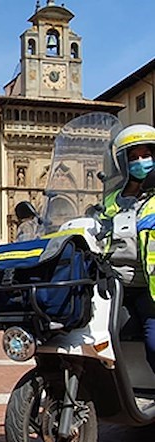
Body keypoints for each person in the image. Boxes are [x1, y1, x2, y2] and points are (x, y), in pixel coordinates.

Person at [103, 124, 155, 374]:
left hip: (150, 289)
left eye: (146, 155)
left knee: (154, 343)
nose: (140, 162)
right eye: (133, 157)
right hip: (116, 286)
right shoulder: (112, 200)